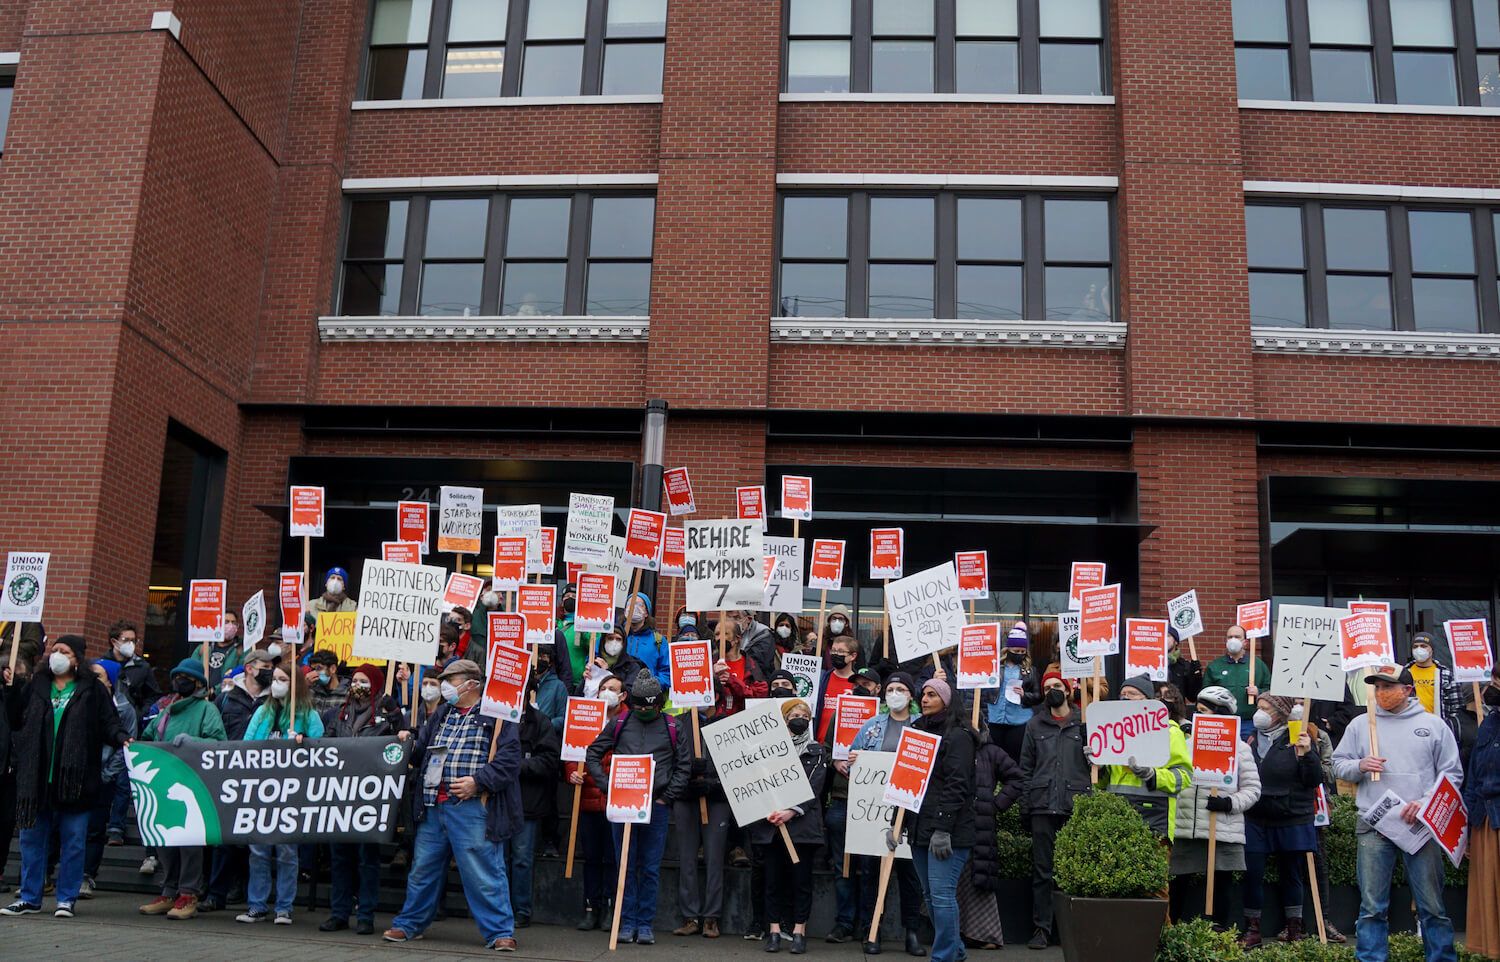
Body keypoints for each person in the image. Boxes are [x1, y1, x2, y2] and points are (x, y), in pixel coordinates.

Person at [384, 659, 523, 950]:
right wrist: (406, 737)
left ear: (472, 683)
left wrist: (479, 781)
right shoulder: (443, 713)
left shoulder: (498, 715)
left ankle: (499, 932)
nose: (445, 685)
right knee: (422, 869)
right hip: (434, 805)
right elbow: (422, 753)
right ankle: (410, 924)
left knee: (484, 871)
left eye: (451, 679)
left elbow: (509, 762)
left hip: (472, 807)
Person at [1332, 664, 1464, 962]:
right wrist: (1360, 765)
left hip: (1420, 827)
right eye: (1377, 687)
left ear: (1408, 689)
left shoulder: (1433, 726)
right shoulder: (1360, 725)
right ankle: (1371, 958)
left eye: (1388, 687)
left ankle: (1441, 957)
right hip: (1374, 825)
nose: (1381, 693)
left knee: (1431, 904)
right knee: (1372, 906)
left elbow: (1452, 774)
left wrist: (1428, 803)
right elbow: (1338, 764)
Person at [2, 635, 129, 920]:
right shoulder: (37, 685)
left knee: (73, 841)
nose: (58, 655)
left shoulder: (92, 689)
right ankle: (30, 896)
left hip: (77, 780)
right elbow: (15, 718)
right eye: (55, 650)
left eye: (66, 652)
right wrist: (10, 690)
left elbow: (109, 722)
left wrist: (123, 738)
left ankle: (66, 898)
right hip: (36, 780)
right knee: (31, 840)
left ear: (78, 659)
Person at [585, 669, 691, 945]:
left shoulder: (672, 726)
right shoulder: (620, 722)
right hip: (623, 804)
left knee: (650, 867)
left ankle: (645, 924)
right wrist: (608, 786)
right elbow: (594, 752)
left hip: (656, 805)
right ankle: (626, 921)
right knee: (625, 866)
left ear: (659, 703)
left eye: (650, 705)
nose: (645, 710)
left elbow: (684, 767)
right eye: (640, 705)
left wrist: (666, 798)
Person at [132, 657, 228, 921]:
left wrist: (192, 741)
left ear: (197, 682)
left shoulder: (207, 710)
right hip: (164, 783)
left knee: (190, 843)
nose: (179, 681)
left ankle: (189, 893)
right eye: (176, 676)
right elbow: (149, 737)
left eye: (184, 677)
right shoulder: (167, 710)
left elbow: (218, 741)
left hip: (191, 785)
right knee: (166, 839)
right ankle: (170, 890)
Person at [894, 679, 976, 962]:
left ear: (947, 699)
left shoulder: (960, 736)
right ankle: (957, 950)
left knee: (941, 896)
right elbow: (904, 777)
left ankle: (943, 957)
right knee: (929, 897)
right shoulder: (916, 731)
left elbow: (957, 785)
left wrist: (943, 829)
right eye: (923, 694)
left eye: (932, 694)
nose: (925, 699)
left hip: (948, 831)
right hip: (919, 827)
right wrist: (896, 822)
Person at [235, 662, 322, 925]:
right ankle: (257, 906)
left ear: (294, 684)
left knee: (286, 852)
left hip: (291, 795)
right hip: (261, 792)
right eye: (274, 678)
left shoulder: (308, 716)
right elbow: (246, 746)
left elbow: (322, 752)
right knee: (259, 852)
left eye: (282, 678)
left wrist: (303, 741)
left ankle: (284, 907)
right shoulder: (262, 713)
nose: (276, 683)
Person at [1168, 685, 1261, 928]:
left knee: (1222, 887)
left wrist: (1230, 802)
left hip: (1223, 829)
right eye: (1196, 710)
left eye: (1203, 711)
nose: (1197, 715)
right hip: (1186, 826)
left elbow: (1253, 789)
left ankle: (1218, 934)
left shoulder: (1240, 748)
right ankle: (1170, 932)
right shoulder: (1185, 742)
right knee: (1176, 883)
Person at [848, 672, 927, 957]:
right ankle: (873, 930)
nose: (895, 693)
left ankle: (912, 933)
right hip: (874, 813)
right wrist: (854, 759)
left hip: (910, 812)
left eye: (901, 689)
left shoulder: (922, 727)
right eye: (891, 688)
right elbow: (850, 760)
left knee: (910, 874)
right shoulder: (871, 726)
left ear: (910, 695)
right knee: (870, 872)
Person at [319, 663, 402, 934]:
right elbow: (326, 743)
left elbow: (399, 746)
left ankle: (365, 915)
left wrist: (401, 734)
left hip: (371, 797)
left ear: (375, 683)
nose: (358, 685)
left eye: (364, 680)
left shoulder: (388, 713)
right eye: (355, 680)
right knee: (340, 858)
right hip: (340, 795)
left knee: (368, 859)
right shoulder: (340, 714)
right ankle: (339, 912)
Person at [1237, 693, 1320, 945]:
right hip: (1256, 817)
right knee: (1252, 873)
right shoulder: (1249, 738)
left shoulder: (1298, 736)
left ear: (1280, 712)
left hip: (1291, 816)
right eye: (1258, 707)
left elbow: (1313, 779)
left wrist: (1307, 755)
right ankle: (1252, 929)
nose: (1258, 712)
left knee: (1291, 873)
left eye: (1265, 708)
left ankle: (1294, 928)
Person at [1018, 670, 1090, 951]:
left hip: (1076, 806)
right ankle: (1042, 928)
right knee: (1042, 871)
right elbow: (1025, 769)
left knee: (1075, 871)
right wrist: (1026, 806)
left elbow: (1102, 767)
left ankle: (1070, 929)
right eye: (1047, 688)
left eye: (1057, 686)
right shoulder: (1034, 726)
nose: (1052, 691)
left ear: (1069, 689)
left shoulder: (1084, 724)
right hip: (1042, 806)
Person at [201, 648, 275, 913]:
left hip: (264, 777)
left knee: (254, 838)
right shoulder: (227, 698)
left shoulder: (275, 700)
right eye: (264, 665)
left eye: (271, 666)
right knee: (224, 837)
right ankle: (216, 892)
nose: (269, 670)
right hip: (231, 774)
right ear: (249, 668)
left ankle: (243, 888)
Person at [755, 698, 828, 954]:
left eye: (804, 715)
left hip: (802, 827)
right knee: (772, 880)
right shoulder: (766, 750)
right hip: (772, 826)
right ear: (784, 719)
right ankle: (773, 930)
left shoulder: (817, 751)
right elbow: (756, 783)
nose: (799, 718)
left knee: (801, 881)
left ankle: (799, 930)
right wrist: (770, 810)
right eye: (794, 714)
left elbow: (813, 786)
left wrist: (790, 811)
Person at [673, 668, 740, 938]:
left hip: (717, 800)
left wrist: (712, 783)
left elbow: (738, 769)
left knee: (714, 857)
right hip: (685, 798)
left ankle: (711, 916)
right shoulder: (679, 724)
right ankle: (690, 916)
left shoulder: (728, 725)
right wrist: (687, 778)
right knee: (687, 858)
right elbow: (671, 761)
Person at [821, 667, 883, 946]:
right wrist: (835, 760)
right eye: (857, 683)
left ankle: (870, 925)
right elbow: (826, 746)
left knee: (870, 866)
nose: (861, 687)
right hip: (843, 796)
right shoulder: (841, 713)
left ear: (878, 689)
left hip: (874, 802)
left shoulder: (887, 719)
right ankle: (844, 922)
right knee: (841, 865)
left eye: (867, 684)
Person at [568, 673, 625, 932]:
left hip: (616, 800)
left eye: (612, 689)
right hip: (589, 800)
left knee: (613, 859)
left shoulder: (627, 721)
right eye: (603, 688)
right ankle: (592, 907)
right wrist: (571, 771)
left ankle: (611, 908)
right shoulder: (586, 715)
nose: (606, 692)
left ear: (623, 695)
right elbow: (573, 749)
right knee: (591, 857)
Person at [959, 726, 1022, 950]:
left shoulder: (992, 752)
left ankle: (985, 934)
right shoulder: (953, 747)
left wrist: (996, 805)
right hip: (954, 823)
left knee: (979, 878)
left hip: (980, 825)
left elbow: (1017, 779)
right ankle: (958, 932)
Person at [81, 661, 136, 899]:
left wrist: (106, 774)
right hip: (76, 775)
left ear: (111, 682)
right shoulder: (78, 701)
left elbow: (125, 745)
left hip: (102, 776)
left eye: (100, 676)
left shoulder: (125, 710)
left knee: (94, 828)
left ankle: (86, 875)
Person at [508, 682, 561, 929]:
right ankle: (500, 907)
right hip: (498, 798)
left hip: (527, 801)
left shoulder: (541, 722)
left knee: (521, 858)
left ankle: (521, 910)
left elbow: (550, 761)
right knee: (498, 858)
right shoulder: (494, 718)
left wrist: (517, 766)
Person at [1463, 674, 1500, 958]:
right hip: (1487, 819)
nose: (1494, 688)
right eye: (1495, 681)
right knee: (1488, 899)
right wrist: (1468, 826)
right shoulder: (1490, 722)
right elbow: (1474, 776)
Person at [983, 622, 1041, 763]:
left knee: (1015, 758)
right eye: (1016, 651)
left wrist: (1024, 695)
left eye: (1023, 652)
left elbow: (1038, 696)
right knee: (994, 757)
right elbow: (983, 690)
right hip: (995, 718)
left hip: (1019, 720)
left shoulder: (1030, 671)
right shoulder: (995, 667)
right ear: (1008, 650)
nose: (1020, 654)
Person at [1204, 624, 1269, 736]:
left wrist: (1259, 692)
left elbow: (1271, 691)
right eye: (1230, 637)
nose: (1233, 640)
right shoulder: (1215, 666)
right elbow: (1205, 694)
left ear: (1245, 642)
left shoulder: (1258, 665)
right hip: (1221, 723)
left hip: (1249, 723)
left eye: (1237, 637)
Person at [1405, 631, 1462, 741]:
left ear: (1431, 649)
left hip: (1437, 729)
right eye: (1415, 646)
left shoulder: (1446, 674)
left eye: (1423, 646)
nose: (1419, 649)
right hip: (1409, 727)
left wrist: (1448, 726)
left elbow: (1456, 706)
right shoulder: (1404, 673)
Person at [100, 620, 160, 718]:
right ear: (114, 642)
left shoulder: (142, 667)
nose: (130, 644)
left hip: (130, 721)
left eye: (133, 640)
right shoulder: (102, 665)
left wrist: (139, 714)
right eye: (126, 640)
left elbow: (153, 696)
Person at [817, 634, 861, 741]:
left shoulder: (859, 684)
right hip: (820, 744)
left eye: (841, 651)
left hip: (845, 747)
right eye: (833, 651)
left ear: (853, 656)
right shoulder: (821, 679)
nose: (836, 654)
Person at [623, 593, 671, 688]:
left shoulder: (659, 641)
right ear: (625, 611)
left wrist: (651, 684)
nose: (633, 608)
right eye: (630, 604)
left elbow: (667, 673)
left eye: (639, 605)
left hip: (645, 698)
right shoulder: (614, 636)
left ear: (646, 613)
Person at [532, 646, 568, 735]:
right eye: (536, 656)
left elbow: (563, 717)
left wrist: (546, 725)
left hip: (545, 738)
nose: (539, 659)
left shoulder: (558, 686)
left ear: (550, 663)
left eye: (543, 657)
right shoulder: (523, 684)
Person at [205, 611, 244, 687]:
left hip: (225, 696)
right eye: (226, 622)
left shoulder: (241, 650)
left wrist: (215, 691)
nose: (230, 625)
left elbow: (239, 675)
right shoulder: (205, 647)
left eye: (233, 622)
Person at [1165, 628, 1203, 704]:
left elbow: (1192, 696)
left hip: (1177, 712)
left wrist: (1196, 676)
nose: (1165, 639)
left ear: (1176, 641)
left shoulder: (1184, 666)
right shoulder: (1152, 665)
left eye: (1168, 636)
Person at [306, 650, 347, 715]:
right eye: (313, 669)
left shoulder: (346, 694)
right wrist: (305, 686)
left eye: (319, 668)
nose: (315, 673)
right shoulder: (312, 690)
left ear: (333, 669)